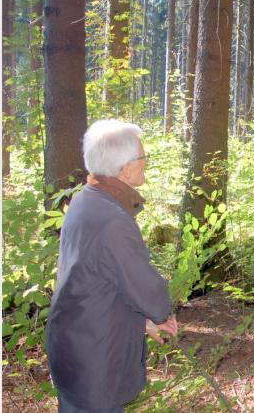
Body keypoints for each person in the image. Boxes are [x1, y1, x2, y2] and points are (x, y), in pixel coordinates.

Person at [46, 120, 178, 413]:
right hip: (94, 355)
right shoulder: (112, 220)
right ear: (126, 167)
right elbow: (147, 289)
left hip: (76, 343)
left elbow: (97, 280)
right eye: (143, 157)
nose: (146, 163)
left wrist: (142, 321)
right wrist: (158, 314)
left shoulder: (85, 201)